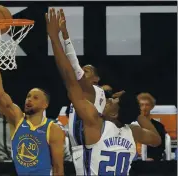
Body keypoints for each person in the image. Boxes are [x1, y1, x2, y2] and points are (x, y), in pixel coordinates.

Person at [46, 8, 161, 175]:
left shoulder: (95, 121)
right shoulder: (132, 131)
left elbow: (70, 78)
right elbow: (156, 140)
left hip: (85, 147)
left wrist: (54, 38)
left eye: (112, 101)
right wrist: (135, 111)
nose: (108, 100)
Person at [0, 56, 64, 175]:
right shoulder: (18, 120)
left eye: (35, 98)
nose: (29, 100)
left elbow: (58, 168)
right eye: (28, 96)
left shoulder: (53, 129)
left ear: (45, 104)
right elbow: (0, 94)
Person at [137, 92, 166, 161]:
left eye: (147, 105)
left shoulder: (159, 126)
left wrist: (153, 157)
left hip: (151, 161)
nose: (144, 108)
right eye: (141, 105)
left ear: (152, 106)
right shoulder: (130, 124)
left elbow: (161, 147)